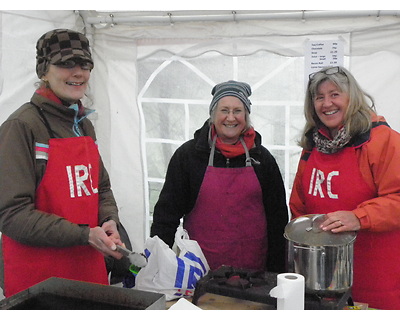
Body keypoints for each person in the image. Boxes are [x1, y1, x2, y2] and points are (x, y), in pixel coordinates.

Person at [0, 29, 125, 298]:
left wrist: (108, 220)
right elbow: (11, 215)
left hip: (87, 270)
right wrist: (83, 235)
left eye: (84, 64)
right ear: (44, 71)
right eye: (65, 64)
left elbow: (100, 188)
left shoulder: (84, 125)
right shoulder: (22, 127)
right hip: (38, 279)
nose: (78, 72)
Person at [290, 66, 400, 309]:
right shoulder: (312, 146)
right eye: (319, 97)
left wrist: (359, 217)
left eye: (335, 94)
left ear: (352, 97)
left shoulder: (384, 141)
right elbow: (299, 205)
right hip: (321, 276)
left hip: (375, 274)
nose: (327, 103)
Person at [150, 80, 288, 273]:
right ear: (213, 115)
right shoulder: (189, 156)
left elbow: (278, 219)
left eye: (238, 111)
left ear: (246, 116)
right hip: (199, 270)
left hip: (253, 272)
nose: (230, 118)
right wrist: (158, 260)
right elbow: (166, 215)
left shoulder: (263, 159)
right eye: (224, 110)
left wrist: (277, 272)